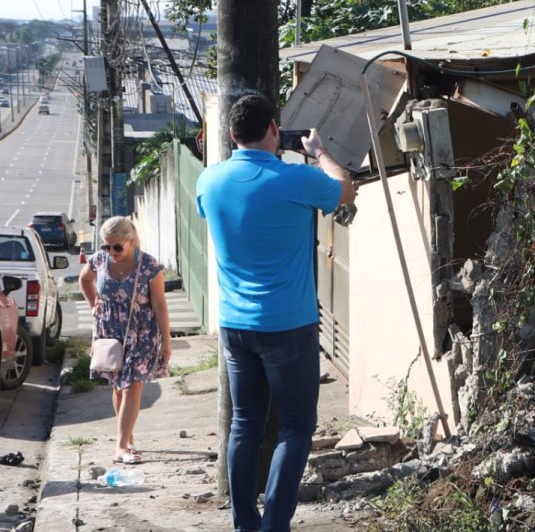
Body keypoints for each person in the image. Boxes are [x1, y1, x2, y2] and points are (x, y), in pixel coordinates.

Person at [196, 94, 355, 531]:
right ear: (273, 129)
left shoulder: (208, 181)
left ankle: (245, 524)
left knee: (244, 425)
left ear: (231, 135)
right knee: (297, 427)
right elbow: (345, 188)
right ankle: (274, 526)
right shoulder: (295, 179)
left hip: (235, 327)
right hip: (288, 325)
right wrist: (319, 151)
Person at [78, 216, 171, 465]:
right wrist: (92, 303)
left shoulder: (149, 266)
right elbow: (85, 279)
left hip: (142, 332)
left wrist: (166, 340)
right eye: (106, 246)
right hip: (110, 331)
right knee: (118, 387)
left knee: (132, 386)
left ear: (131, 242)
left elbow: (160, 305)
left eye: (117, 246)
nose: (111, 252)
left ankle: (120, 447)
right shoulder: (99, 261)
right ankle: (127, 437)